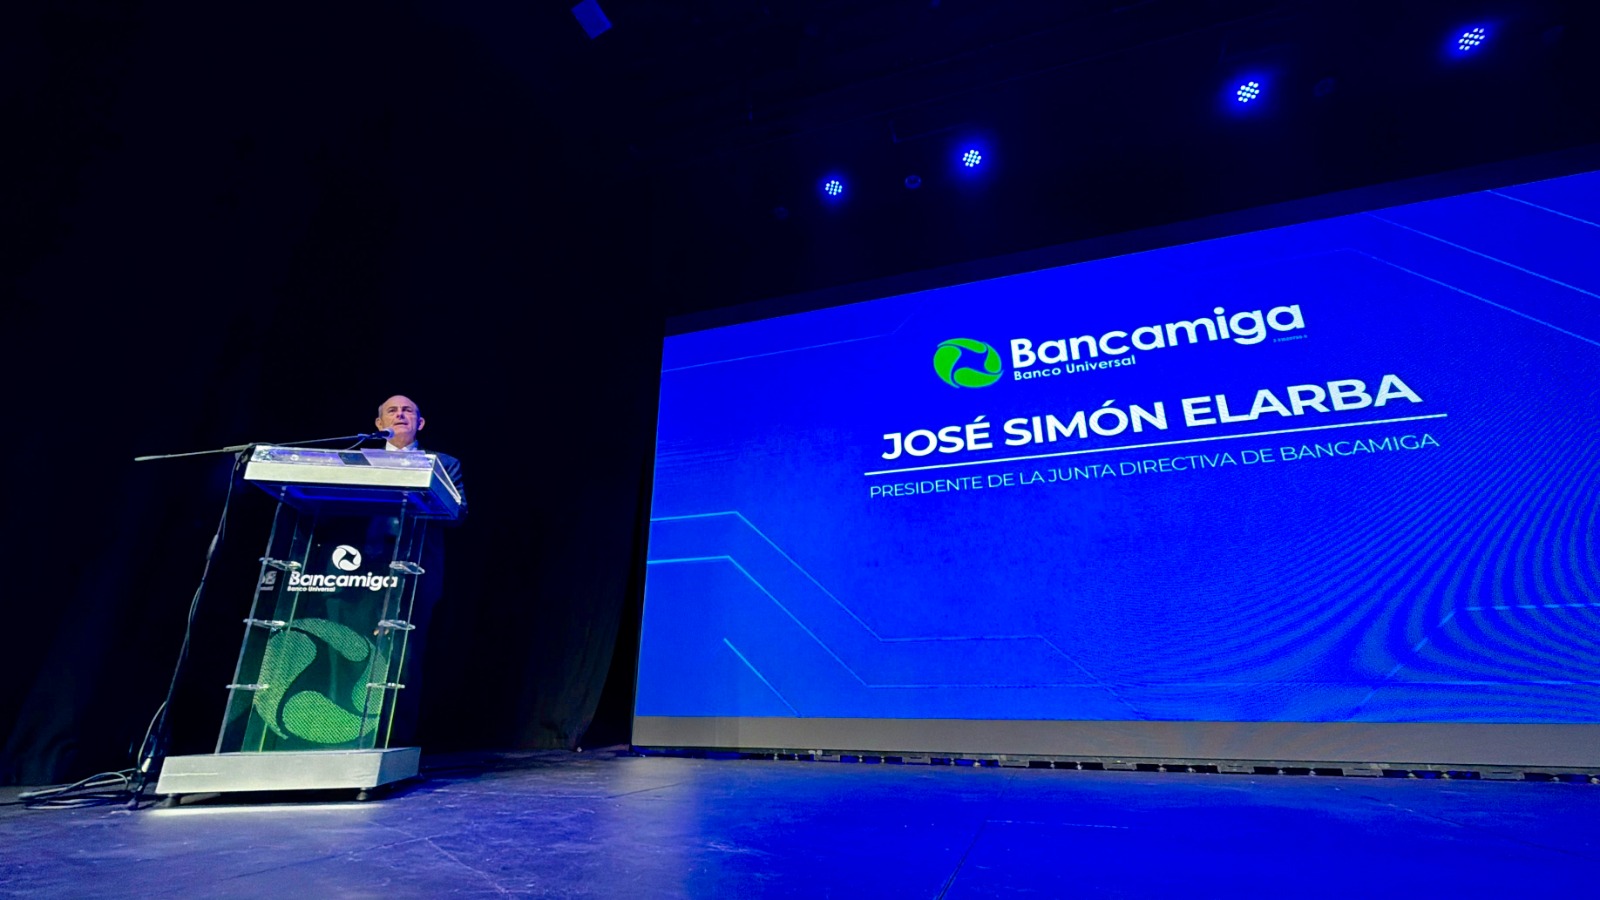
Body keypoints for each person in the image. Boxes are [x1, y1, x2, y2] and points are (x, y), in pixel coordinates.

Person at [372, 394, 465, 747]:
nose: (400, 415)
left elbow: (458, 513)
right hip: (361, 567)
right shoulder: (361, 462)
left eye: (408, 411)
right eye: (392, 411)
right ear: (379, 424)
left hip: (416, 570)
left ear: (420, 423)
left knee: (404, 656)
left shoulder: (442, 464)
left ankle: (395, 742)